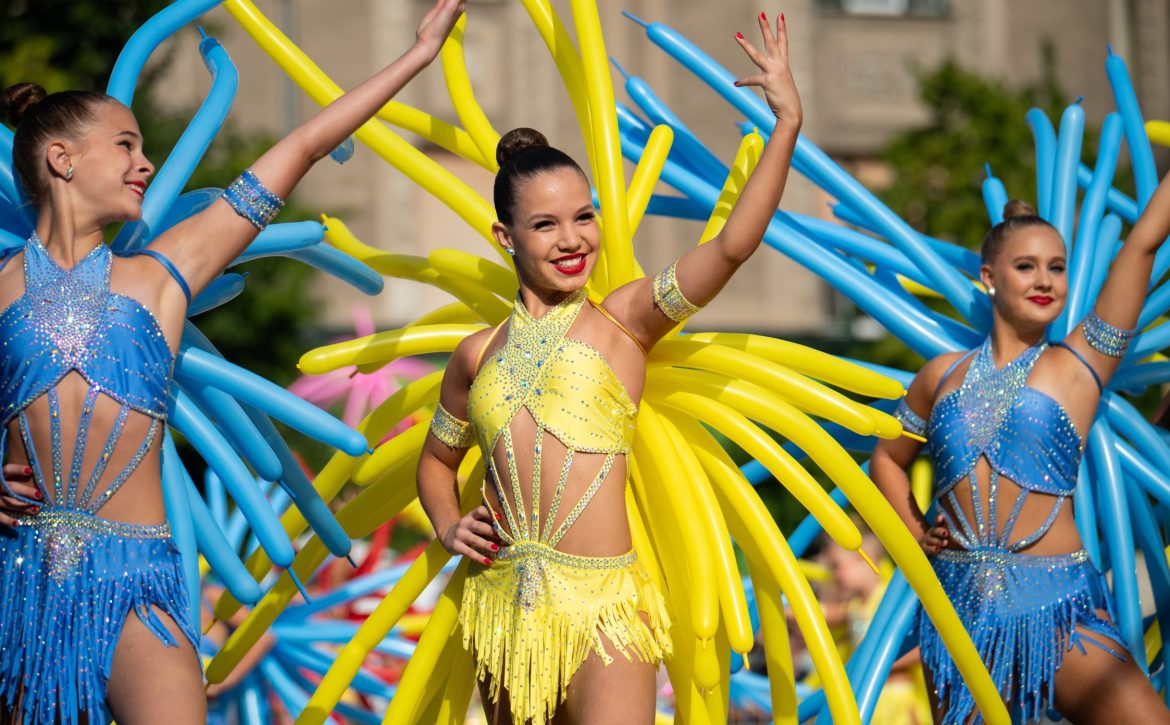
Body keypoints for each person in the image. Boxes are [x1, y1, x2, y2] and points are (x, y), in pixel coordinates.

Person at [0, 1, 464, 722]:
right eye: (125, 145)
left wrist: (417, 57)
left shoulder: (164, 277)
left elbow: (303, 145)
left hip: (140, 584)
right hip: (24, 582)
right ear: (62, 158)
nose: (146, 162)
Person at [416, 11, 801, 725]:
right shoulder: (476, 353)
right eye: (546, 224)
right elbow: (437, 461)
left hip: (605, 614)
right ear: (505, 237)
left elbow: (732, 247)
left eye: (584, 217)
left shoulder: (625, 320)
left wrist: (785, 126)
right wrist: (446, 523)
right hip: (505, 608)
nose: (573, 239)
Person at [871, 183, 1170, 723]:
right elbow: (886, 458)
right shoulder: (938, 376)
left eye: (1056, 268)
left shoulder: (1079, 366)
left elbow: (1142, 246)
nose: (1045, 281)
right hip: (957, 613)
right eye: (1027, 266)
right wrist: (913, 532)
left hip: (1058, 611)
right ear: (989, 277)